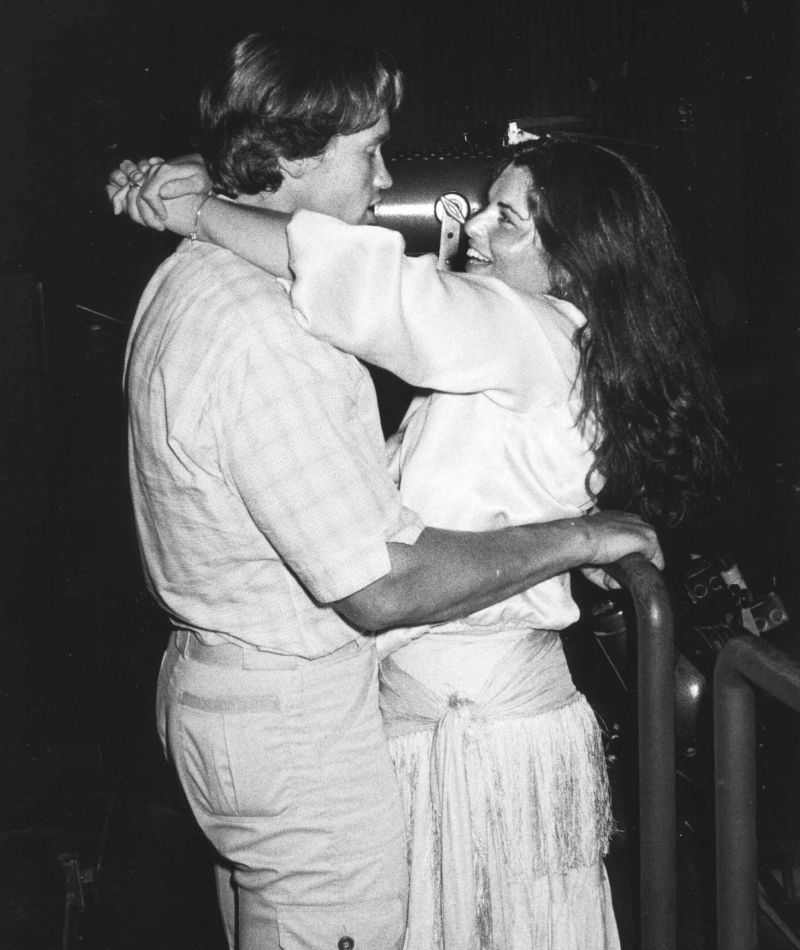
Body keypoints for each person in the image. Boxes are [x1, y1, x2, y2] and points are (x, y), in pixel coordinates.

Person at [108, 34, 665, 950]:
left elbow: (379, 294)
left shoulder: (524, 329)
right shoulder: (275, 325)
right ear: (289, 156)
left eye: (508, 220)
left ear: (579, 259)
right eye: (369, 151)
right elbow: (386, 576)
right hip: (367, 720)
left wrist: (201, 205)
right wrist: (574, 535)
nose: (466, 228)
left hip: (460, 720)